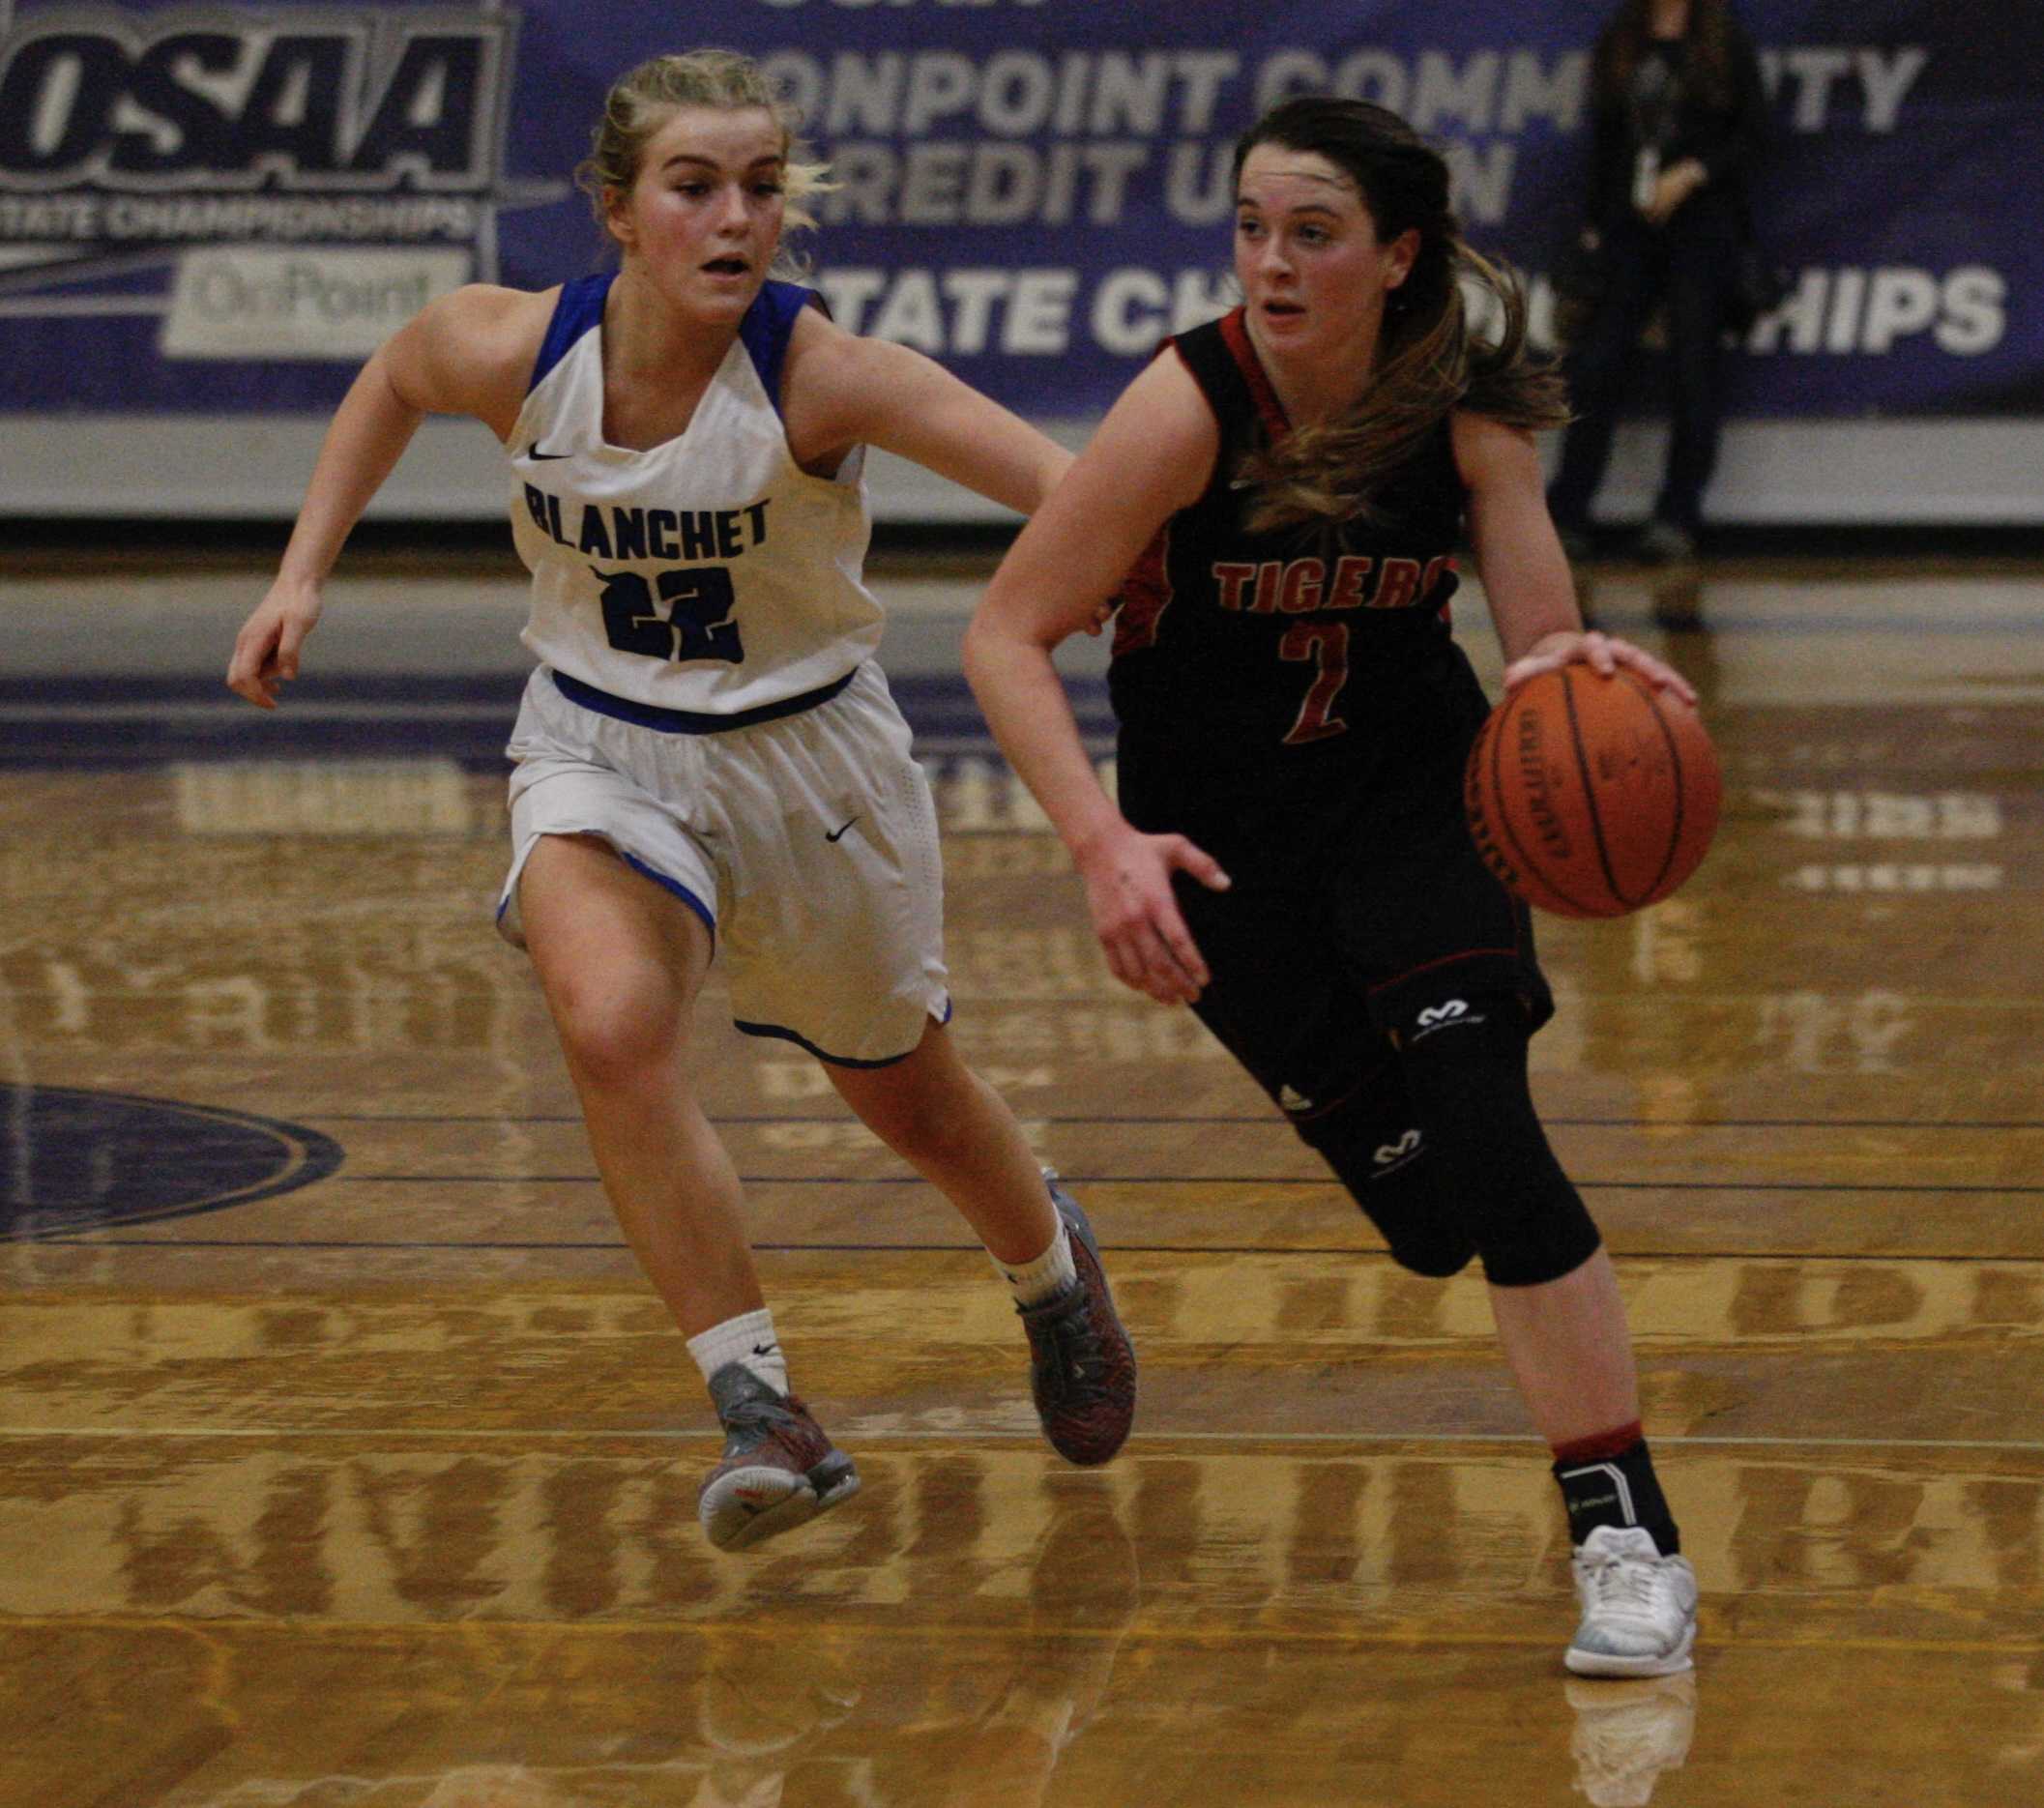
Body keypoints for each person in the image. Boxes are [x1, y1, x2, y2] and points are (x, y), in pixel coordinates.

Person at [225, 47, 1135, 1553]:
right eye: (695, 187)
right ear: (619, 212)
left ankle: (1051, 1266)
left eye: (761, 189)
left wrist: (1111, 575)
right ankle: (759, 1403)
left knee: (901, 1092)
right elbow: (390, 377)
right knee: (607, 1021)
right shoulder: (513, 350)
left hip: (809, 758)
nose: (736, 219)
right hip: (597, 738)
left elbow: (1080, 487)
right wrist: (301, 566)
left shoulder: (819, 372)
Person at [963, 94, 1700, 1676]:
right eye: (1247, 228)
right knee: (1433, 1211)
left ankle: (1621, 1532)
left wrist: (1586, 687)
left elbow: (1535, 645)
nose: (1270, 263)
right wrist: (1101, 847)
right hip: (1218, 846)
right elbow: (1000, 636)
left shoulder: (1460, 407)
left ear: (1394, 257)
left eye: (1308, 233)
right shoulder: (1184, 406)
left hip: (1415, 808)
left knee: (1493, 1135)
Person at [1546, 0, 1770, 564]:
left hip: (1702, 229)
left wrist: (1693, 173)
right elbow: (1604, 141)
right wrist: (1595, 230)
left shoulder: (1723, 40)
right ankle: (1567, 512)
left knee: (1693, 370)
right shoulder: (1621, 38)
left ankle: (1676, 516)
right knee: (1595, 367)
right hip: (1630, 227)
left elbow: (1753, 134)